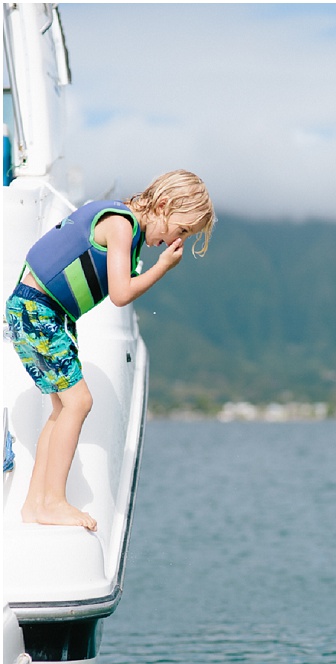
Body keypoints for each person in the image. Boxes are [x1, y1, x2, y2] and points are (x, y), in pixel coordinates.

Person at [6, 170, 215, 531]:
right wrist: (162, 269)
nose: (172, 242)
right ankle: (52, 501)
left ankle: (35, 503)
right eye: (179, 231)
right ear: (163, 206)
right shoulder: (120, 224)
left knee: (62, 407)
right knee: (79, 402)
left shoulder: (127, 230)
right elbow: (120, 294)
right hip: (38, 308)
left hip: (41, 309)